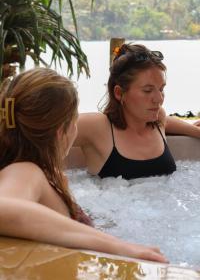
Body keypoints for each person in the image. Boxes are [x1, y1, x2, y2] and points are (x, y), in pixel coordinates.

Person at [0, 67, 168, 263]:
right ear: (62, 130)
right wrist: (119, 246)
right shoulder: (25, 171)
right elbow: (4, 207)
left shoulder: (46, 174)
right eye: (75, 119)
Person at [71, 43, 200, 179]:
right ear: (119, 93)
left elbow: (167, 122)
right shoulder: (98, 127)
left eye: (161, 89)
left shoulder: (157, 118)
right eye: (147, 90)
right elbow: (50, 131)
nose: (159, 99)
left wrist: (195, 131)